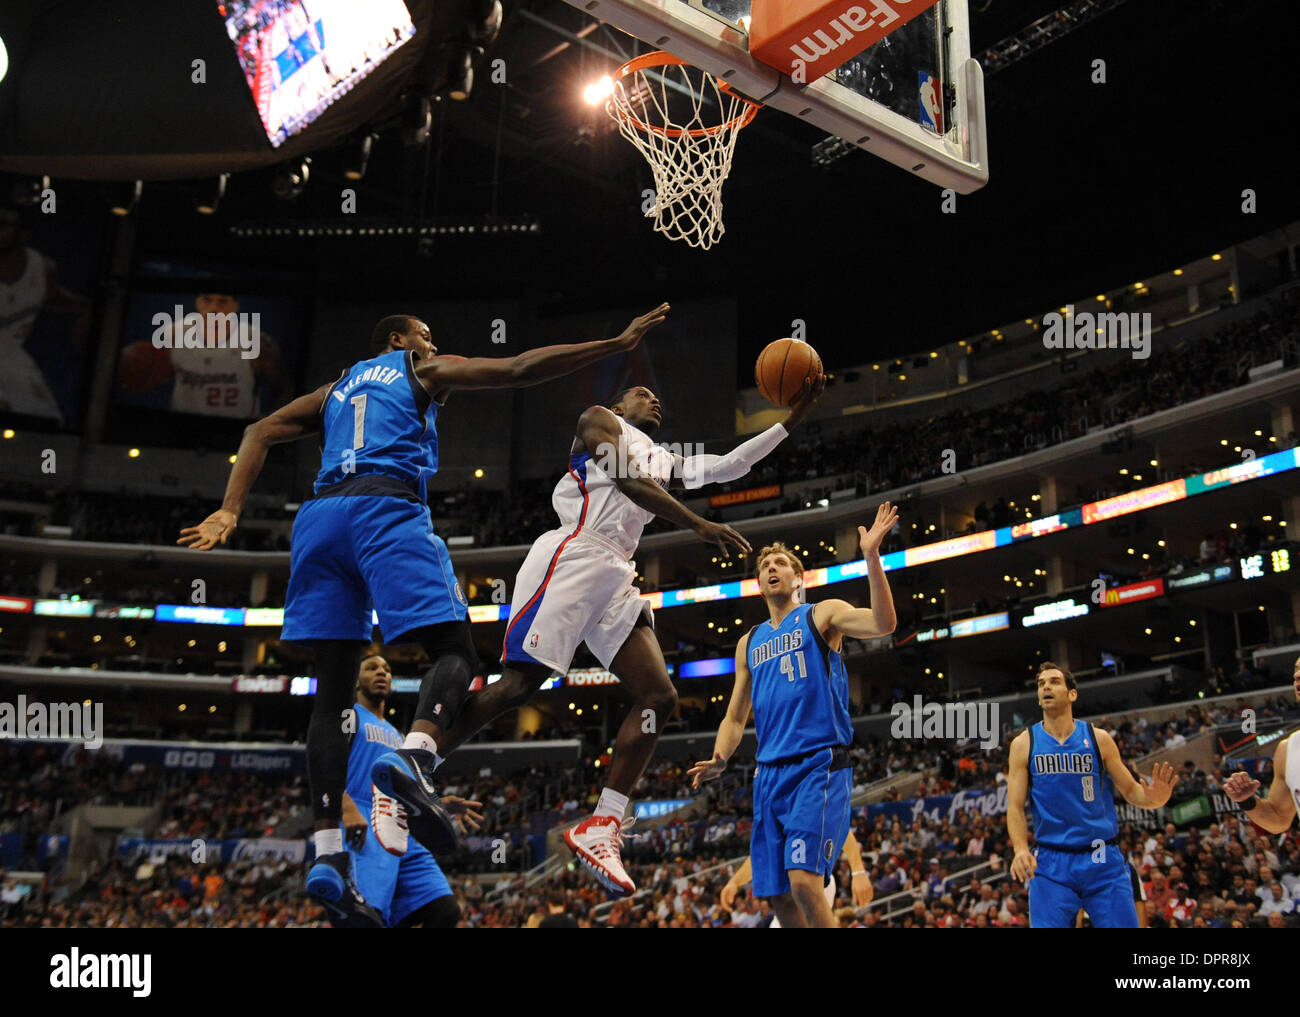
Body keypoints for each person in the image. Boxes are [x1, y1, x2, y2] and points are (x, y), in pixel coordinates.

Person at [180, 303, 669, 923]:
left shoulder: (334, 392)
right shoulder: (416, 368)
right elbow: (519, 367)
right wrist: (614, 342)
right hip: (382, 507)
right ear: (399, 341)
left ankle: (327, 852)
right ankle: (413, 758)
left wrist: (230, 510)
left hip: (319, 519)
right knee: (456, 653)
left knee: (333, 694)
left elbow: (258, 432)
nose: (433, 344)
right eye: (425, 336)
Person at [378, 376, 824, 898]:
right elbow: (627, 482)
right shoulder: (597, 419)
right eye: (641, 391)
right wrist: (699, 526)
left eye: (656, 394)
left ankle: (603, 823)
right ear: (619, 404)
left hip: (616, 572)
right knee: (519, 686)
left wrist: (794, 418)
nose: (653, 396)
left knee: (660, 695)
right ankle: (415, 767)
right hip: (573, 554)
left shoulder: (665, 459)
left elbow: (731, 465)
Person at [689, 504, 899, 928]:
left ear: (797, 578)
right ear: (759, 581)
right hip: (768, 775)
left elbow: (883, 622)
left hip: (817, 764)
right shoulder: (749, 642)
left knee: (805, 883)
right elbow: (734, 716)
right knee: (779, 898)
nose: (771, 567)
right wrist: (720, 758)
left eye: (781, 563)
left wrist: (872, 557)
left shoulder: (820, 615)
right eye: (765, 564)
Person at [1006, 660, 1178, 928]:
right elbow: (1015, 807)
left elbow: (1131, 790)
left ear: (1071, 693)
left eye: (1053, 682)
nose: (1045, 688)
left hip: (1101, 857)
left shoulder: (1099, 739)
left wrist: (1156, 799)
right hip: (1052, 861)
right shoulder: (1023, 744)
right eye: (1041, 684)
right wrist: (1019, 849)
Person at [330, 652, 483, 928]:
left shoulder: (400, 734)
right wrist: (347, 808)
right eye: (372, 668)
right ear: (356, 681)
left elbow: (402, 783)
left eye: (386, 669)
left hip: (399, 822)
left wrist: (436, 801)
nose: (381, 673)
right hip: (361, 817)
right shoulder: (350, 716)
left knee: (444, 910)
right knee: (366, 916)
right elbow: (325, 766)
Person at [719, 829, 873, 927]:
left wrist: (858, 872)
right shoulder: (775, 803)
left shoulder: (807, 794)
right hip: (788, 891)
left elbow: (842, 829)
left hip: (813, 881)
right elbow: (763, 854)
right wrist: (735, 882)